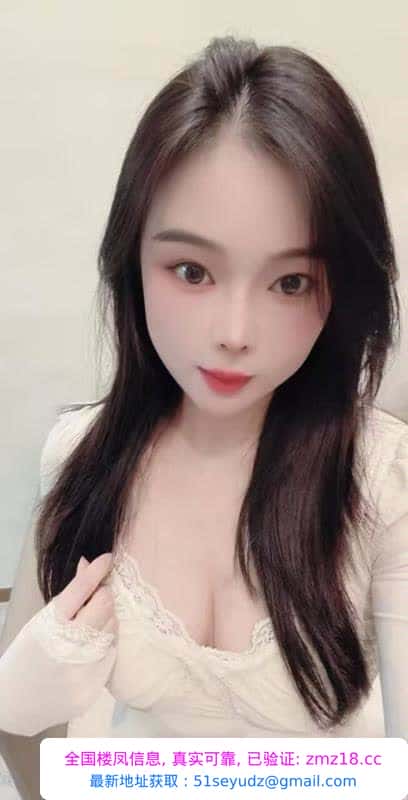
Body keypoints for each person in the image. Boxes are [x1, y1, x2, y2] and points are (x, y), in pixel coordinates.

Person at [1, 32, 407, 800]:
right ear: (132, 261)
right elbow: (22, 736)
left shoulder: (384, 482)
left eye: (291, 282)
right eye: (191, 270)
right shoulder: (82, 456)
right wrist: (25, 692)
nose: (234, 332)